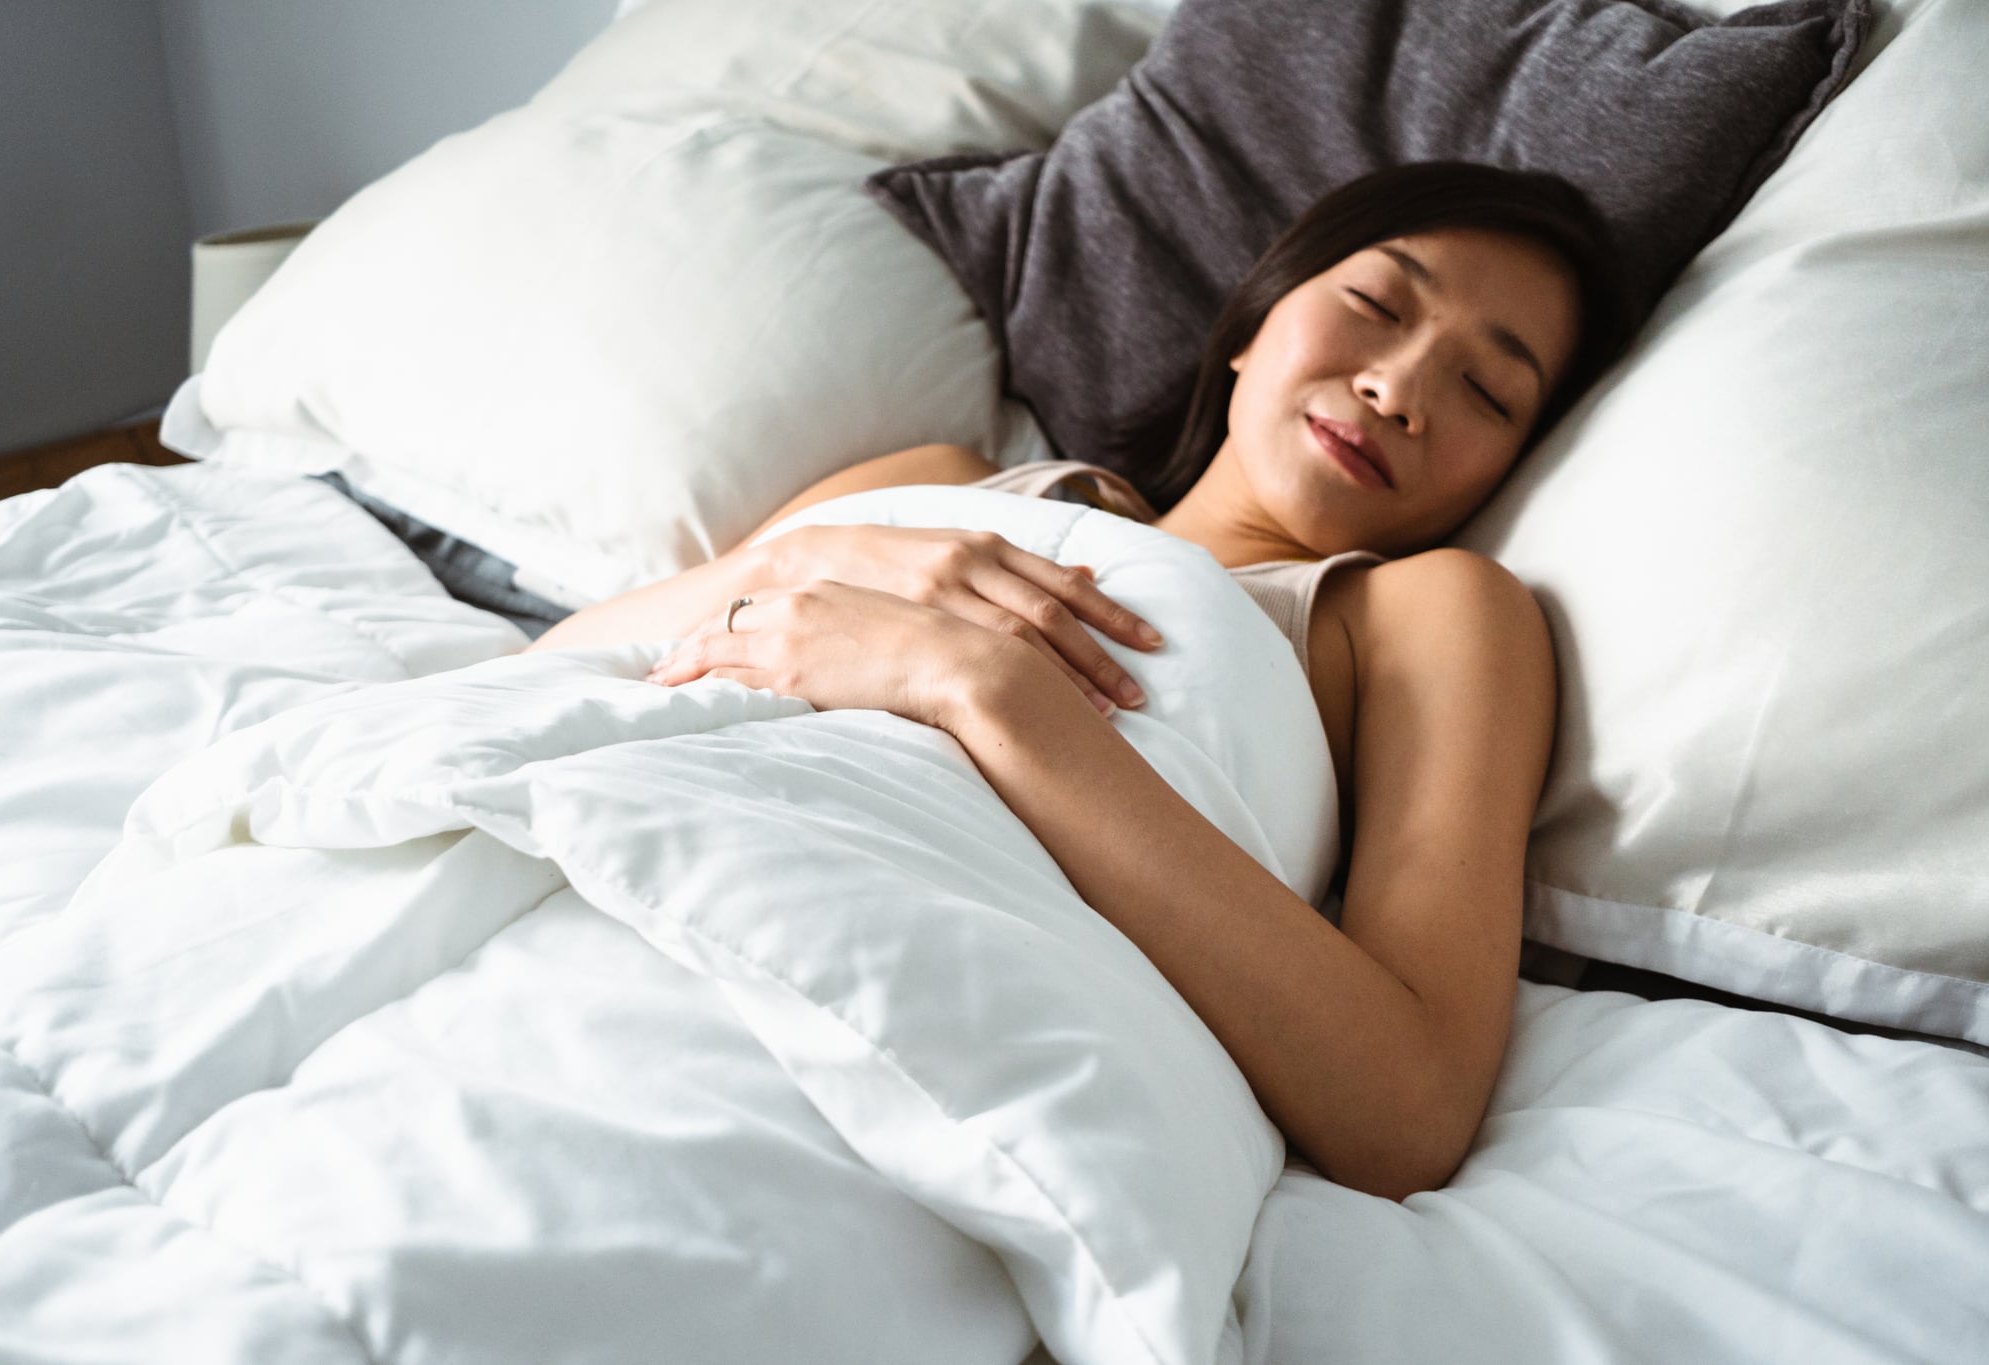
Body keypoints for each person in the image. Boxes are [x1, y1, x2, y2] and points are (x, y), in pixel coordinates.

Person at [528, 161, 1635, 1200]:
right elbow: (542, 681)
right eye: (1376, 307)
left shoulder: (1429, 615)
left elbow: (1408, 1106)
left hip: (895, 997)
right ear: (1253, 323)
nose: (1396, 386)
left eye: (1487, 392)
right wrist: (789, 564)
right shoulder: (941, 480)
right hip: (609, 860)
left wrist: (978, 686)